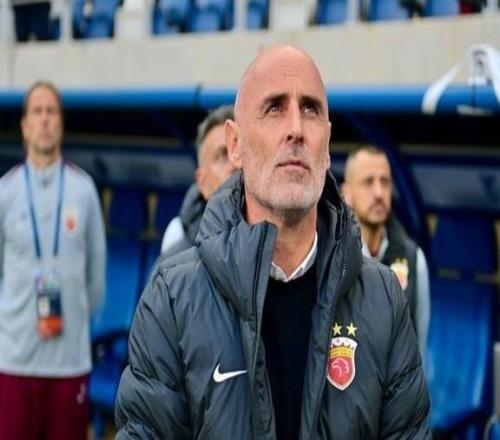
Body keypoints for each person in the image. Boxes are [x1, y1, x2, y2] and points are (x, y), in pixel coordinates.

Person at [115, 45, 430, 438]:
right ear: (235, 145)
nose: (296, 128)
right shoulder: (172, 299)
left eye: (311, 109)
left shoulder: (383, 298)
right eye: (274, 108)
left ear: (327, 144)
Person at [0, 81, 106, 440]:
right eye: (37, 111)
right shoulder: (5, 192)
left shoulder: (84, 190)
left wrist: (74, 316)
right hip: (14, 362)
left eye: (51, 111)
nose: (44, 119)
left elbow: (96, 281)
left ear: (60, 123)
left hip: (69, 364)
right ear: (24, 125)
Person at [341, 145, 430, 359]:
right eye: (368, 182)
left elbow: (419, 343)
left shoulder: (412, 258)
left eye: (385, 182)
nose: (379, 193)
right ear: (347, 194)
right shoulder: (334, 257)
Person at [161, 105, 236, 257]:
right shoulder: (175, 264)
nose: (236, 164)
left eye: (241, 151)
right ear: (202, 183)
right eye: (222, 155)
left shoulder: (280, 245)